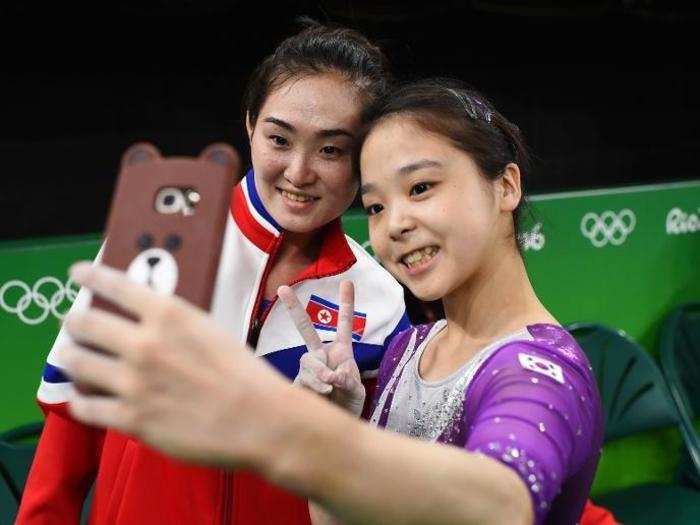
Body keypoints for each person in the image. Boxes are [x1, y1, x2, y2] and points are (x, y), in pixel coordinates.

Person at [59, 78, 605, 525]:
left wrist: (297, 435)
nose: (397, 224)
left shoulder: (538, 370)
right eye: (374, 206)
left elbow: (504, 502)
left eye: (420, 189)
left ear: (505, 186)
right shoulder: (411, 349)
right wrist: (332, 424)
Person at [17, 21, 407, 525]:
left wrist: (337, 430)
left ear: (365, 156)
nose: (298, 171)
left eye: (331, 149)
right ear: (249, 125)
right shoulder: (160, 233)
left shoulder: (378, 301)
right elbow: (73, 418)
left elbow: (376, 494)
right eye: (279, 139)